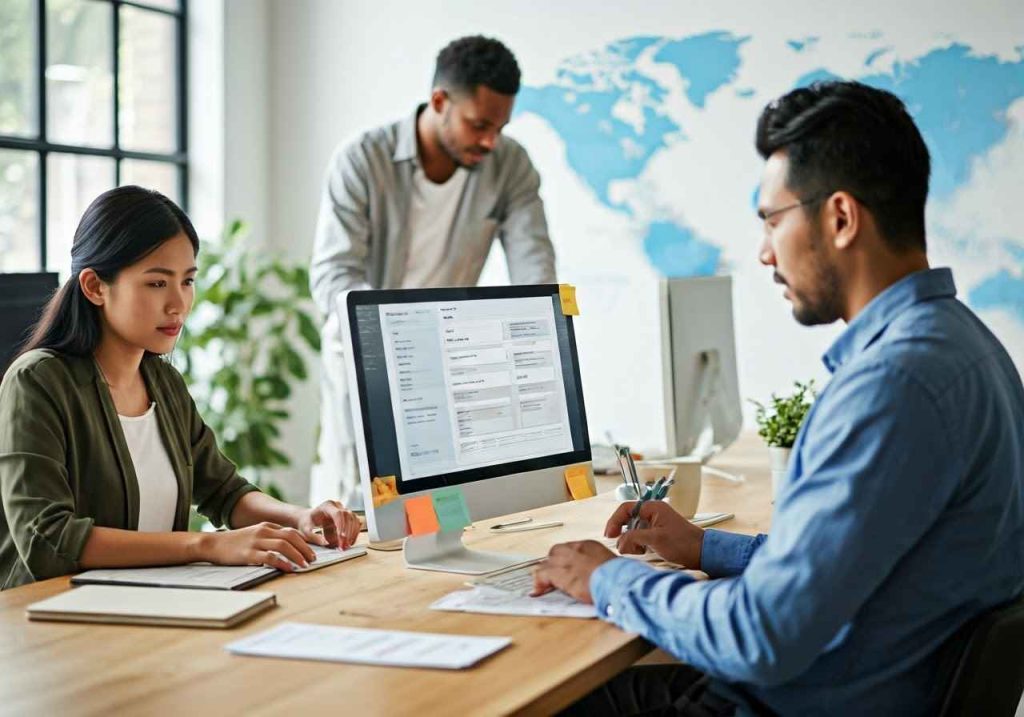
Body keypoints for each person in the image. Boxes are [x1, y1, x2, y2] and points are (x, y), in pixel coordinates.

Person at [532, 81, 1024, 716]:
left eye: (771, 220)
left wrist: (606, 578)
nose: (764, 252)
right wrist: (704, 548)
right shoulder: (966, 347)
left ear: (840, 218)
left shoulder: (893, 386)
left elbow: (761, 635)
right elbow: (847, 562)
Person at [0, 186, 362, 591]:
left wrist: (299, 517)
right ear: (95, 286)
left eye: (187, 281)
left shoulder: (163, 382)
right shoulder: (37, 381)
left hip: (150, 607)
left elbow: (224, 491)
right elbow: (47, 539)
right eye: (157, 284)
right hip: (49, 620)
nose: (178, 304)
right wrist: (206, 545)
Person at [309, 35, 556, 510]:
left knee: (445, 502)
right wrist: (399, 340)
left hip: (449, 358)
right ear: (439, 101)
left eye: (500, 127)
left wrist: (536, 338)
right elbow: (333, 277)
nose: (490, 140)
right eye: (479, 124)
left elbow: (535, 267)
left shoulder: (509, 165)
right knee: (361, 508)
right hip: (366, 357)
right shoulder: (362, 159)